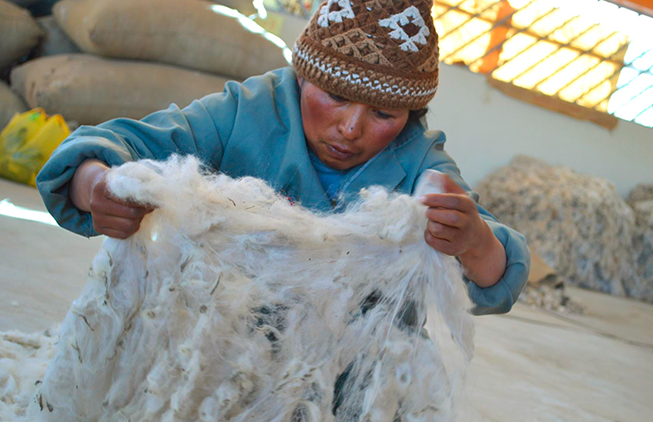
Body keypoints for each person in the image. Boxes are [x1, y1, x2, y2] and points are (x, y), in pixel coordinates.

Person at [37, 1, 528, 312]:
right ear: (302, 78)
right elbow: (114, 145)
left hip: (349, 375)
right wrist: (97, 186)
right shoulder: (247, 112)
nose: (351, 128)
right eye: (335, 97)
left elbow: (496, 273)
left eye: (383, 113)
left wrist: (473, 241)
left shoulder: (418, 161)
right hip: (215, 333)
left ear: (410, 116)